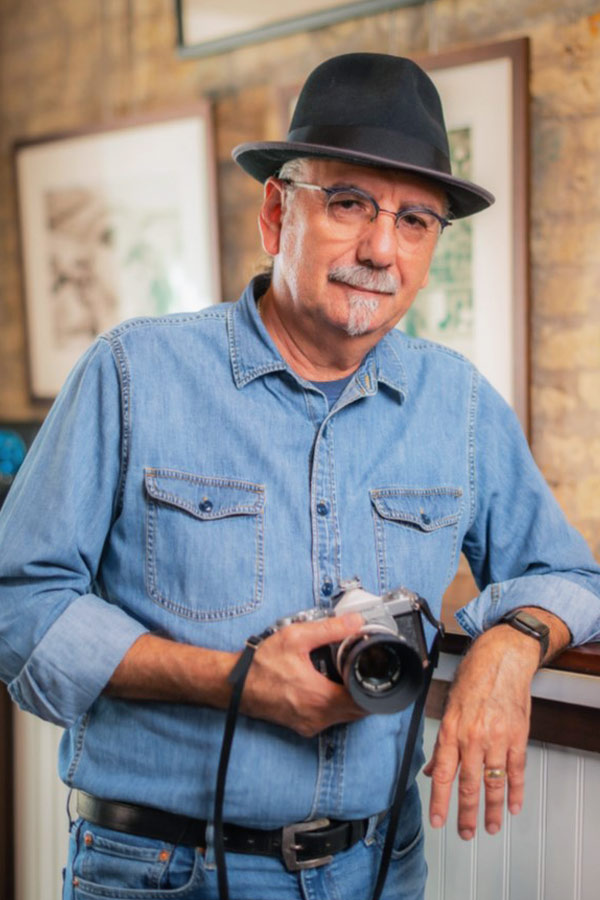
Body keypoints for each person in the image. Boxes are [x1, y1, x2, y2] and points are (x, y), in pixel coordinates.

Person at [1, 52, 599, 900]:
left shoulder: (458, 404)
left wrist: (509, 644)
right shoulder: (133, 373)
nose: (381, 248)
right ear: (277, 214)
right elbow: (19, 603)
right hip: (162, 874)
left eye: (416, 220)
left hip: (380, 872)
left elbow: (568, 574)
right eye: (350, 204)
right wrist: (236, 680)